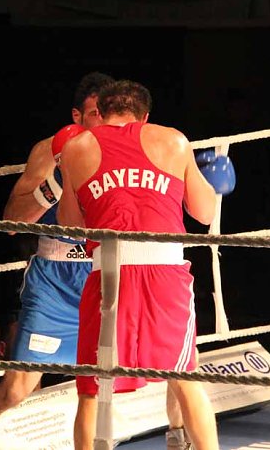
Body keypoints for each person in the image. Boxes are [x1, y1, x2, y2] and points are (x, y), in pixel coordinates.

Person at [0, 72, 121, 450]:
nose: (101, 121)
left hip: (105, 274)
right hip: (54, 281)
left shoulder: (125, 152)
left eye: (108, 113)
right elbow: (11, 223)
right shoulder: (50, 149)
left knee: (105, 381)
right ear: (77, 116)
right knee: (16, 388)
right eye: (94, 112)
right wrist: (56, 184)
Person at [57, 79, 235, 450]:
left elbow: (72, 227)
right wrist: (211, 183)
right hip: (163, 271)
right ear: (145, 115)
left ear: (101, 115)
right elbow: (203, 214)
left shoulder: (77, 147)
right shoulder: (172, 140)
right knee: (185, 375)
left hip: (107, 273)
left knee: (92, 387)